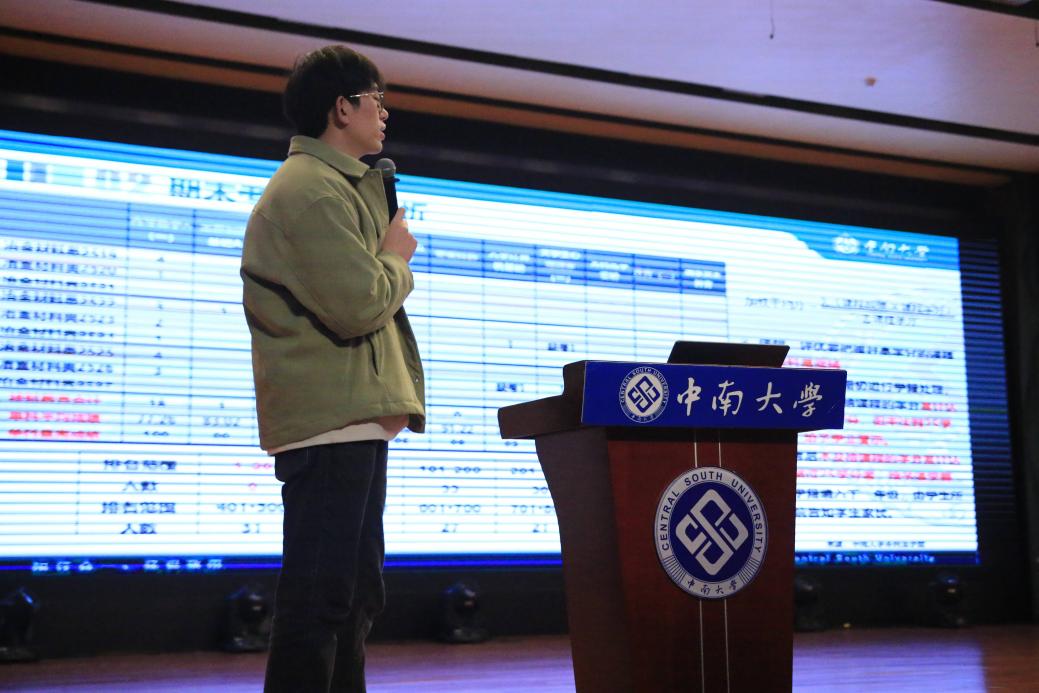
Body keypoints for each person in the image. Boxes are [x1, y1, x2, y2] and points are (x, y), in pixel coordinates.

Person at [240, 44, 425, 692]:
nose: (385, 114)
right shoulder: (309, 190)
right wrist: (396, 258)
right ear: (341, 108)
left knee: (351, 598)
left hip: (353, 419)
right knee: (320, 600)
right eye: (377, 101)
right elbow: (358, 304)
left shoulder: (335, 186)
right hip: (329, 423)